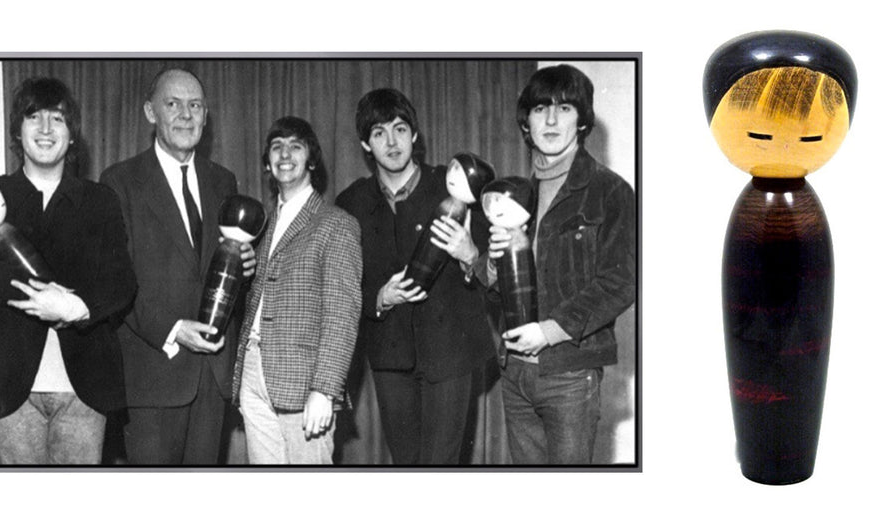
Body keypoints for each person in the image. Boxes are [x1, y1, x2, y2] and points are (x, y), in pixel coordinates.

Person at [0, 77, 136, 464]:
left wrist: (75, 307)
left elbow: (121, 282)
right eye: (34, 117)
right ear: (17, 132)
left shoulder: (99, 201)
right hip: (11, 386)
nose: (46, 129)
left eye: (58, 118)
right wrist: (42, 296)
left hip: (84, 389)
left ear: (73, 136)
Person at [476, 64, 635, 464]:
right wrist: (495, 264)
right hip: (514, 372)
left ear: (581, 121)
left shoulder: (610, 191)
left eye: (564, 109)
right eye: (540, 108)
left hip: (569, 374)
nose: (550, 119)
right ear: (525, 121)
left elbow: (621, 281)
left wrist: (549, 332)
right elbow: (497, 288)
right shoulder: (518, 193)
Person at [100, 68, 255, 465]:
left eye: (195, 106)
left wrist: (244, 268)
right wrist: (173, 329)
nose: (186, 115)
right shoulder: (120, 181)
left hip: (212, 374)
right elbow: (117, 280)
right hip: (153, 373)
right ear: (151, 112)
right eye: (173, 104)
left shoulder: (223, 179)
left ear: (206, 116)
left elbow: (217, 272)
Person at [336, 89, 494, 464]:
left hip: (450, 355)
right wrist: (379, 297)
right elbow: (340, 287)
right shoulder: (350, 203)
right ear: (365, 144)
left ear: (415, 135)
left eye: (400, 129)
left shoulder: (454, 189)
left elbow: (495, 273)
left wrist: (470, 253)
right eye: (379, 133)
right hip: (391, 357)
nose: (392, 142)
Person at [233, 116, 362, 464]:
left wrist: (325, 388)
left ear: (312, 160)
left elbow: (342, 314)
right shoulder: (259, 225)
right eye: (277, 147)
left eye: (295, 146)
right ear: (267, 163)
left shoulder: (337, 224)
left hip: (304, 381)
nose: (285, 154)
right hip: (253, 372)